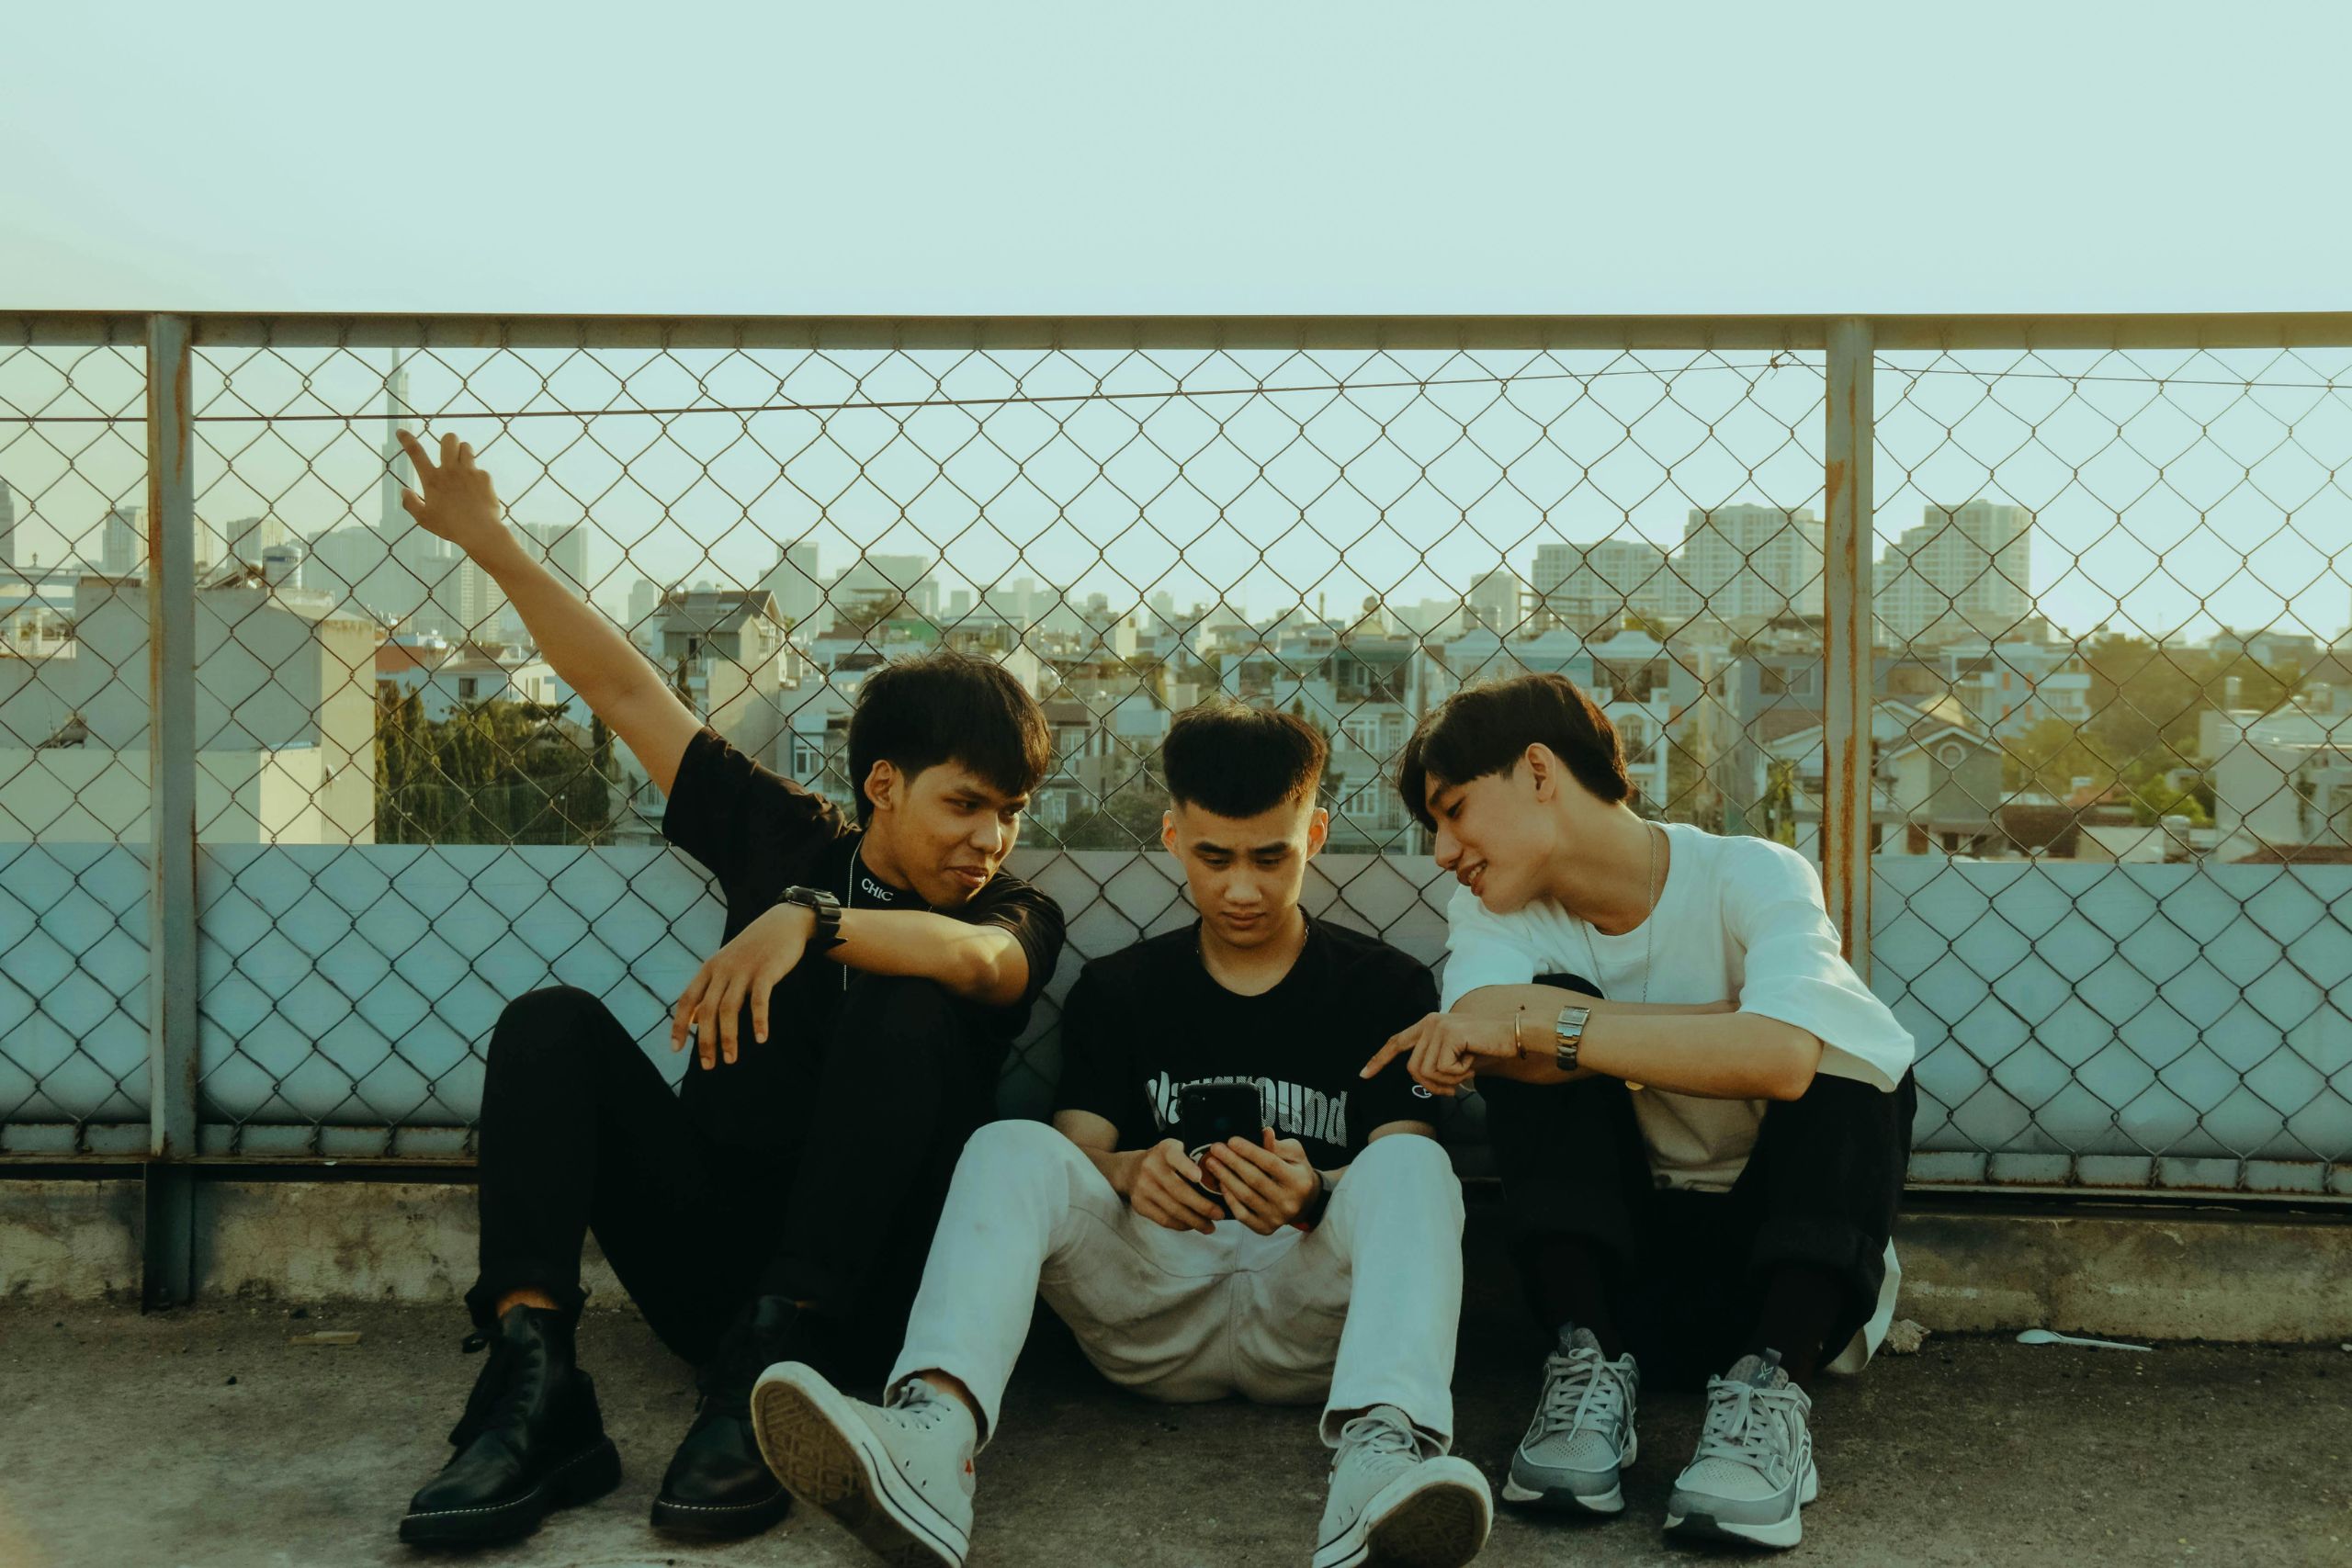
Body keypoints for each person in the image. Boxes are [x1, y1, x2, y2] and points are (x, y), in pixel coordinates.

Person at [388, 433, 1066, 1548]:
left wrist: (811, 920)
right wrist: (493, 546)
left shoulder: (1010, 914)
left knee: (905, 1004)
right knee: (548, 1026)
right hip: (707, 1270)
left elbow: (980, 967)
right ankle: (533, 1382)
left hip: (868, 1297)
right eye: (966, 805)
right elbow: (621, 688)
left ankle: (778, 1360)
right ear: (883, 787)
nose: (992, 838)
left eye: (1012, 812)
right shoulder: (782, 834)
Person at [747, 703, 1492, 1568]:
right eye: (1213, 857)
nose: (1241, 888)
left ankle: (1381, 1463)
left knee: (1414, 1159)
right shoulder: (1123, 988)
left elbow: (1399, 1169)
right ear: (1173, 836)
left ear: (1315, 833)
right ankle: (932, 1437)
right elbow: (1073, 1157)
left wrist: (1313, 1190)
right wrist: (1133, 1170)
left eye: (1270, 856)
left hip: (1310, 1318)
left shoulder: (1383, 985)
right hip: (1153, 1309)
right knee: (1010, 1146)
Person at [1364, 673, 1917, 1551]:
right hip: (1615, 1289)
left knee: (1853, 1057)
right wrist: (1575, 1025)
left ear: (1539, 771)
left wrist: (1559, 1023)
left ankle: (1770, 1397)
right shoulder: (1490, 912)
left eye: (1456, 808)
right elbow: (1492, 1042)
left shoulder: (1751, 872)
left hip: (1781, 1288)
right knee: (1533, 1045)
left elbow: (1782, 1059)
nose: (1442, 850)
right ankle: (1584, 1380)